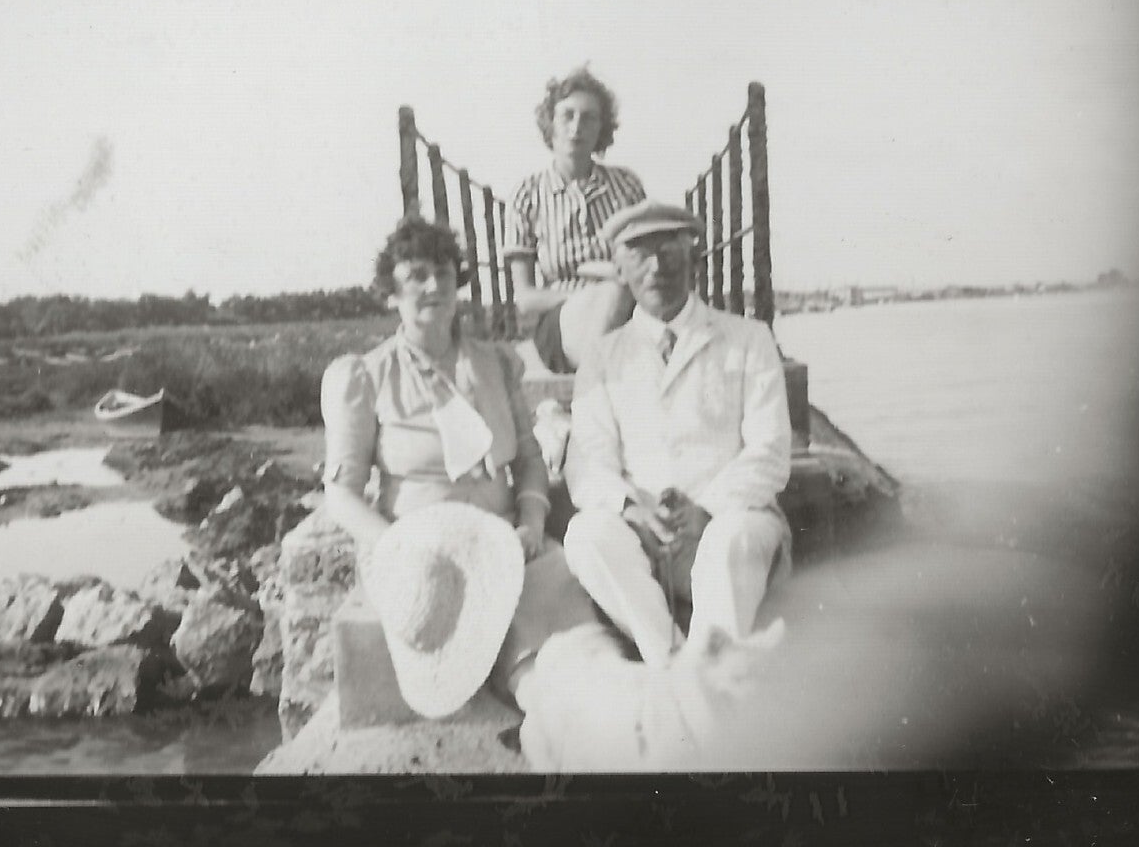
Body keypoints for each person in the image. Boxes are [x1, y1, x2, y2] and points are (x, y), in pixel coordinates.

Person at [320, 215, 599, 713]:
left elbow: (532, 462)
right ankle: (545, 707)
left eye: (445, 273)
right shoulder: (366, 376)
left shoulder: (495, 363)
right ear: (391, 294)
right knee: (497, 628)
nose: (434, 286)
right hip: (419, 550)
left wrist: (532, 521)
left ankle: (593, 695)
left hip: (503, 538)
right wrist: (397, 548)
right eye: (417, 276)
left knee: (566, 600)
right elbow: (340, 494)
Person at [562, 199, 794, 667]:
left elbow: (769, 450)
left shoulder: (749, 339)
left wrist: (706, 509)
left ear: (694, 260)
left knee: (734, 536)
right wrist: (635, 508)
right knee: (585, 535)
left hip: (727, 523)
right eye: (639, 253)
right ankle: (669, 660)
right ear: (620, 271)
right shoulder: (604, 356)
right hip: (644, 542)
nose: (656, 266)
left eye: (670, 250)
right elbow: (588, 462)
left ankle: (705, 668)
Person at [504, 67, 647, 374]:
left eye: (589, 117)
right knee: (613, 293)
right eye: (567, 115)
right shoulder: (527, 195)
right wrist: (590, 297)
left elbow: (645, 265)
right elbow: (526, 299)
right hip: (560, 323)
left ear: (601, 129)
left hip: (628, 318)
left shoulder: (626, 187)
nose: (577, 127)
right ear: (550, 124)